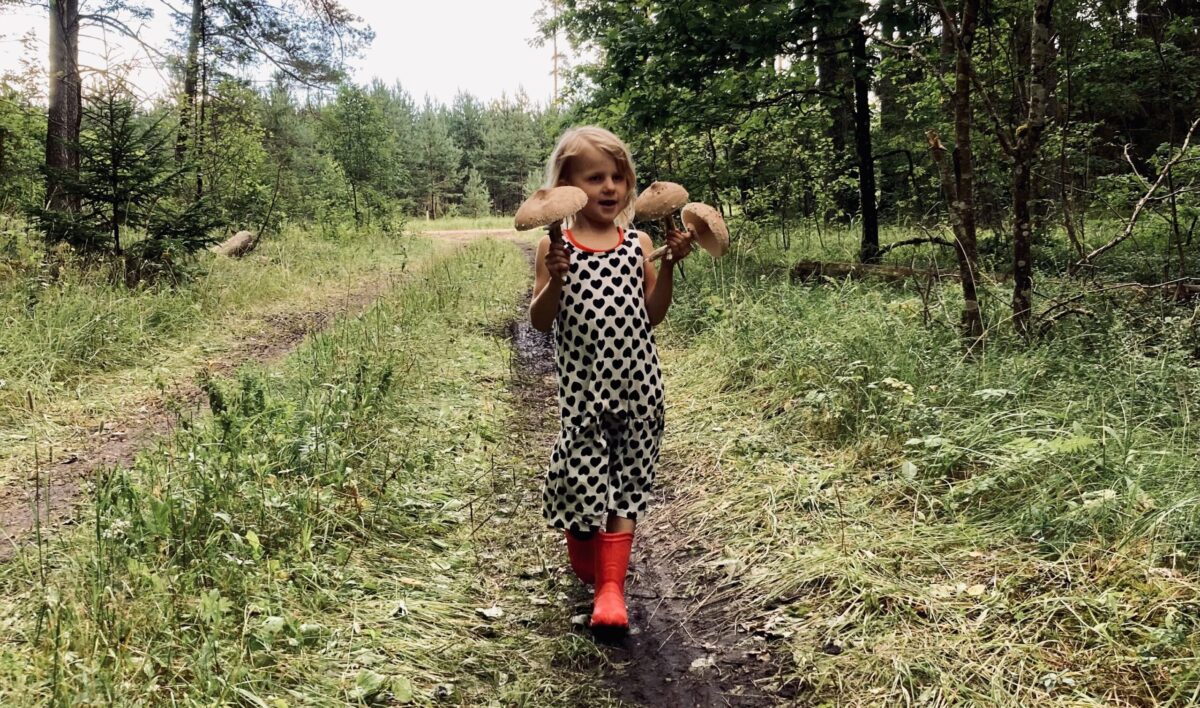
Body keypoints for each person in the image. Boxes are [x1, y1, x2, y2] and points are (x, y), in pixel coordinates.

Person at [529, 126, 693, 634]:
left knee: (628, 484)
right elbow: (540, 320)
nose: (610, 187)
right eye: (595, 177)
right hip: (583, 394)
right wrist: (556, 278)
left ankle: (611, 591)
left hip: (640, 388)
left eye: (618, 177)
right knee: (579, 483)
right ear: (568, 187)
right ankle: (586, 553)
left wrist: (667, 269)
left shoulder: (638, 243)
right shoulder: (554, 248)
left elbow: (652, 315)